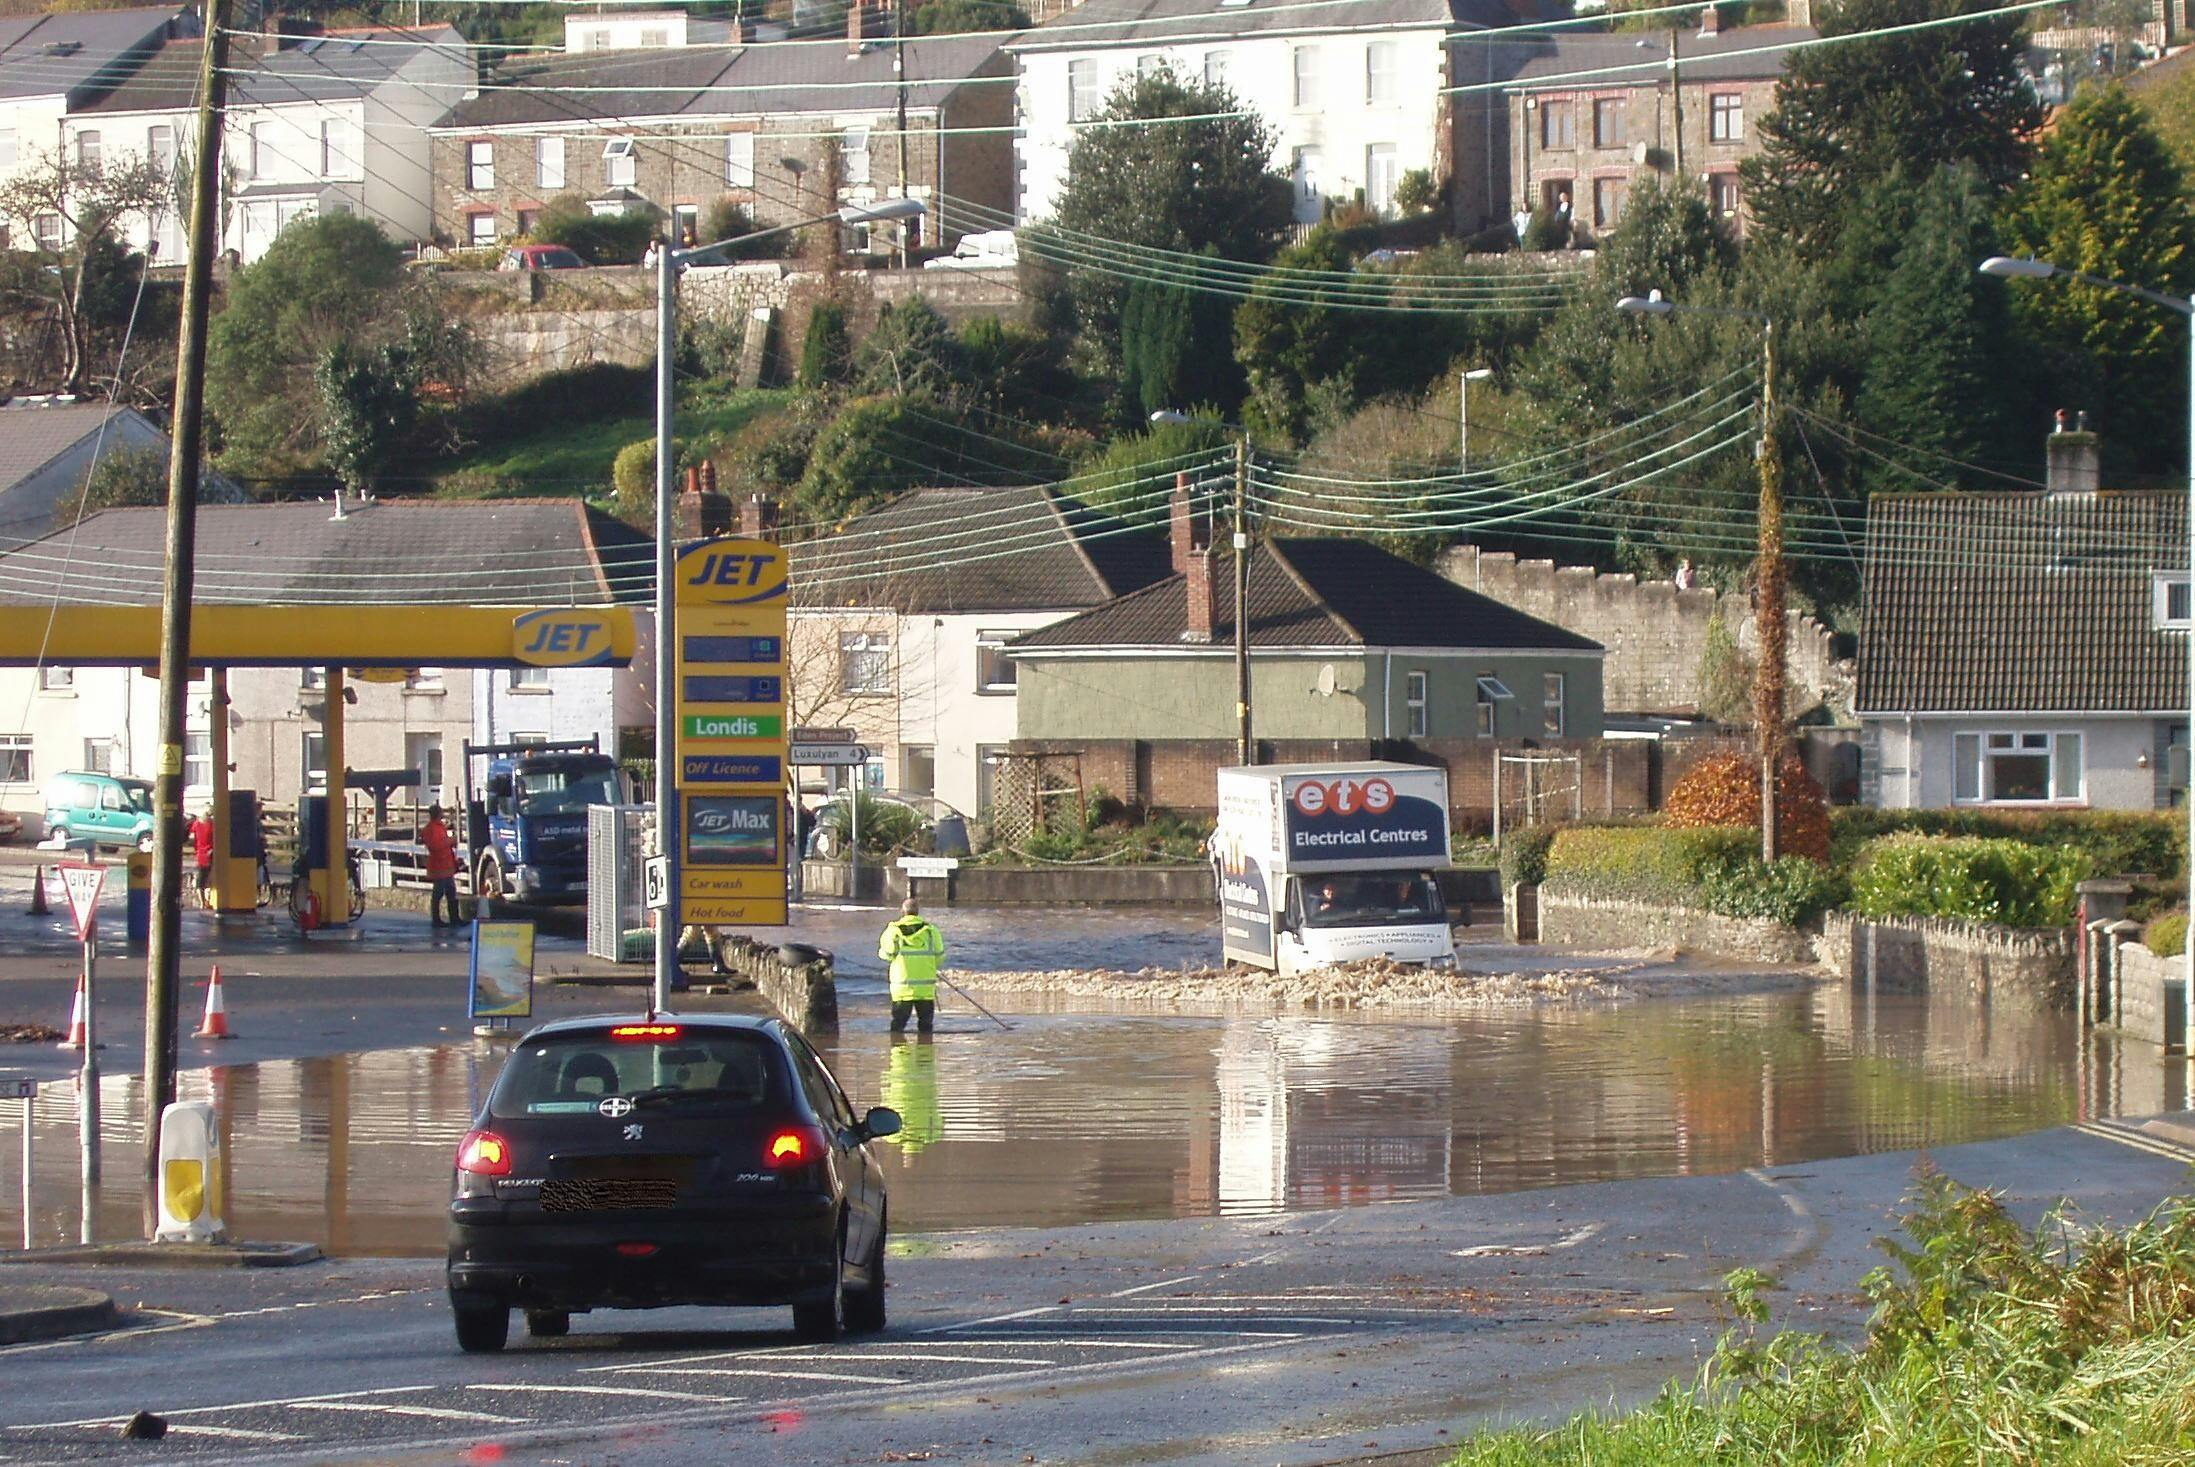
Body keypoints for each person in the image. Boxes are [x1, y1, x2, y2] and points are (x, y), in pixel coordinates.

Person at [879, 898, 945, 1034]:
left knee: (898, 1026)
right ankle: (926, 1052)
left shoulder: (893, 931)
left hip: (902, 988)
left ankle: (898, 1051)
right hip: (925, 989)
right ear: (917, 912)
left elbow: (887, 954)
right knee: (926, 1026)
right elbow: (940, 956)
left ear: (902, 911)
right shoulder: (931, 931)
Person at [422, 804, 460, 928]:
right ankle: (436, 920)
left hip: (446, 866)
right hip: (439, 866)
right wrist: (451, 841)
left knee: (451, 893)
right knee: (438, 894)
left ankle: (454, 918)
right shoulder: (431, 828)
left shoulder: (439, 827)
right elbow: (435, 846)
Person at [188, 809, 215, 907]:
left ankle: (202, 902)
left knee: (201, 879)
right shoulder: (212, 825)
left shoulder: (196, 824)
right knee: (210, 878)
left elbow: (191, 838)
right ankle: (208, 901)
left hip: (200, 854)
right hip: (211, 853)